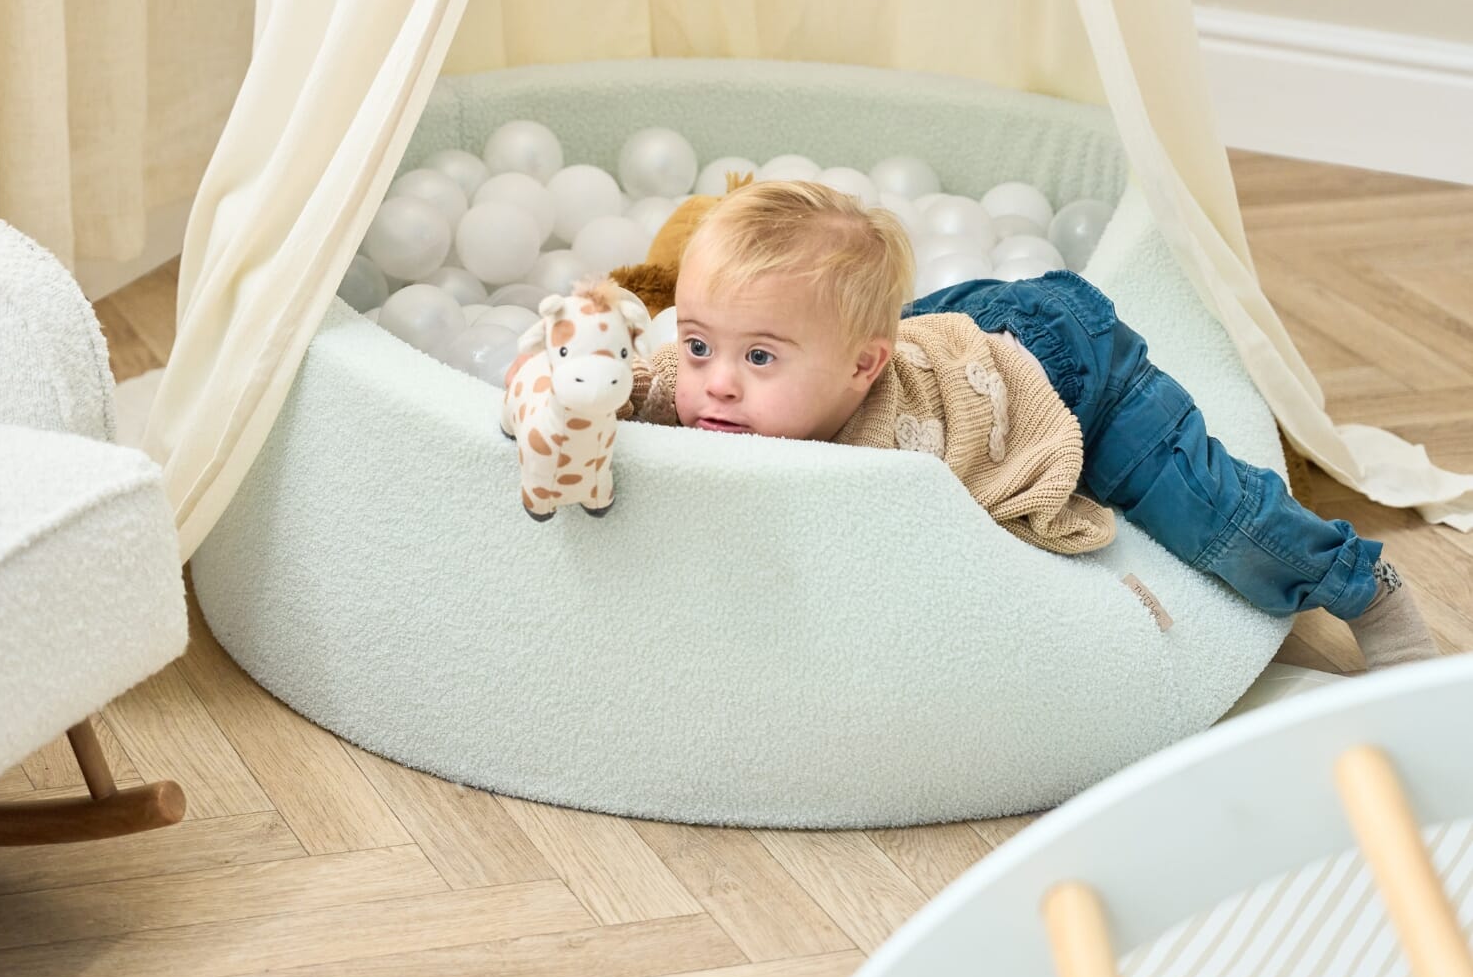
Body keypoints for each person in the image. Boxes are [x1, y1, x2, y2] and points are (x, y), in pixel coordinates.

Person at [565, 180, 1438, 668]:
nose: (714, 386)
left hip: (1072, 371)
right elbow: (628, 384)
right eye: (699, 343)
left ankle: (1362, 588)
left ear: (860, 369)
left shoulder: (885, 471)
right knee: (859, 320)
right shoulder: (709, 377)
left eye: (759, 359)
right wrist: (577, 387)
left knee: (1215, 519)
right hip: (956, 332)